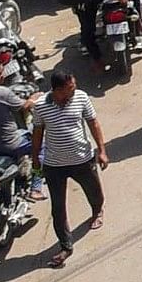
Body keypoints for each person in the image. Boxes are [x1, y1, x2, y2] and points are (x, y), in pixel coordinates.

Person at [31, 65, 107, 260]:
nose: (73, 90)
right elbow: (38, 133)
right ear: (57, 90)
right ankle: (66, 245)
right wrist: (36, 161)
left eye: (74, 86)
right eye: (69, 88)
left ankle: (97, 211)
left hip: (82, 159)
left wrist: (102, 150)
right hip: (54, 165)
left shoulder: (81, 97)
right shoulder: (40, 106)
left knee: (94, 192)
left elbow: (93, 123)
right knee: (58, 207)